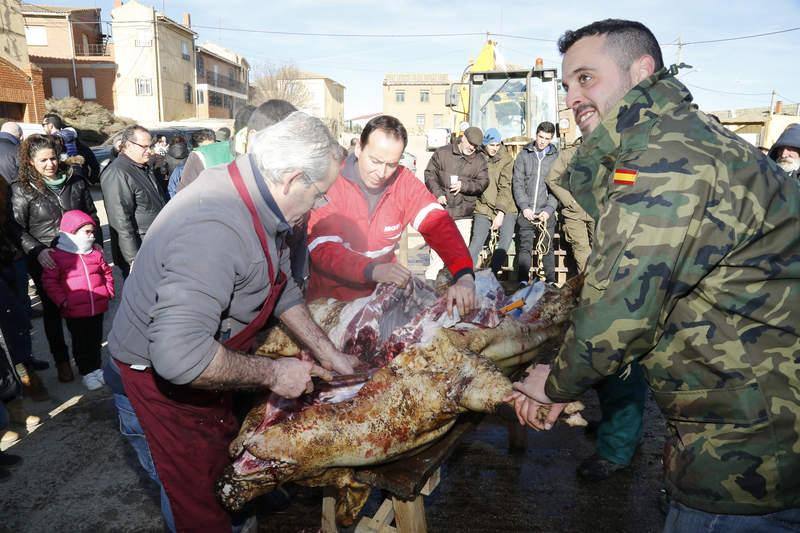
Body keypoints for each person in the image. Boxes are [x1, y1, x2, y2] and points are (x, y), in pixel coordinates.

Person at [506, 19, 800, 531]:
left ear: (641, 71)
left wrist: (551, 384)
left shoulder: (669, 158)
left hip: (750, 440)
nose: (573, 96)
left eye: (587, 78)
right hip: (751, 411)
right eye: (567, 84)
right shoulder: (677, 139)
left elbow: (621, 308)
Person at [107, 111, 358, 531]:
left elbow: (281, 287)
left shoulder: (260, 201)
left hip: (201, 372)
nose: (319, 205)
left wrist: (327, 350)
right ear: (294, 178)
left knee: (228, 484)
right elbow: (180, 357)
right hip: (157, 385)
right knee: (203, 507)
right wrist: (275, 373)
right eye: (320, 194)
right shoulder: (216, 224)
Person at [307, 115, 477, 315]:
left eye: (391, 164)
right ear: (359, 148)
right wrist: (372, 270)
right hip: (331, 303)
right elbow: (323, 247)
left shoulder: (403, 182)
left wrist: (464, 273)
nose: (381, 172)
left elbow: (438, 223)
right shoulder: (332, 181)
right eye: (375, 161)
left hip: (380, 301)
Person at [11, 134, 101, 382]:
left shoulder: (75, 180)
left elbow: (92, 216)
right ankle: (61, 359)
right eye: (43, 161)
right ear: (30, 162)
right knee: (53, 312)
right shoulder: (21, 190)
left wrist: (98, 246)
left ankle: (87, 360)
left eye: (53, 158)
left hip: (80, 257)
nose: (50, 164)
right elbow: (16, 228)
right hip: (47, 261)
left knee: (82, 310)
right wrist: (38, 251)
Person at [41, 210, 114, 391]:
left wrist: (108, 291)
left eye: (92, 232)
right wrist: (63, 302)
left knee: (95, 339)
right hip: (74, 310)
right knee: (81, 341)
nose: (91, 235)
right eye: (87, 232)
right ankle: (86, 371)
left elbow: (106, 273)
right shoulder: (58, 256)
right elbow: (50, 282)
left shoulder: (94, 253)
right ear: (71, 233)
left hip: (97, 306)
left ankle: (96, 367)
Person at [100, 125, 166, 279]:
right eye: (145, 147)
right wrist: (133, 259)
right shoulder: (117, 172)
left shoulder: (142, 167)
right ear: (128, 145)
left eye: (151, 146)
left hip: (154, 244)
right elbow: (121, 221)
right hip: (140, 251)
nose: (149, 151)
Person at [423, 126, 488, 280]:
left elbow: (483, 183)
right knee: (437, 257)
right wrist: (437, 193)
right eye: (470, 143)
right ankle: (431, 291)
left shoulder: (479, 160)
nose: (472, 148)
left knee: (459, 258)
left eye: (475, 146)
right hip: (441, 212)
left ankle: (457, 294)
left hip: (463, 214)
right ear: (463, 138)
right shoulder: (442, 153)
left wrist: (464, 186)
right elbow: (429, 174)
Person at [512, 121, 559, 285]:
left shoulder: (556, 157)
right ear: (536, 134)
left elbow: (557, 187)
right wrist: (524, 207)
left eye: (546, 138)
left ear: (551, 139)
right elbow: (517, 183)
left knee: (547, 248)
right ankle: (523, 281)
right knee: (524, 246)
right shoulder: (524, 155)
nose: (542, 141)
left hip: (546, 212)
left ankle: (551, 282)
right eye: (540, 137)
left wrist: (549, 209)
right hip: (527, 212)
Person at [467, 128, 516, 274]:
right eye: (491, 145)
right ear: (485, 144)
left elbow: (505, 187)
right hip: (483, 205)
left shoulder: (507, 160)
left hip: (506, 205)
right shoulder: (477, 158)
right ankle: (465, 274)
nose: (494, 148)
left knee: (505, 240)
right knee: (477, 241)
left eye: (497, 145)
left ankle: (492, 273)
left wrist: (500, 212)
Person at [545, 138, 595, 273]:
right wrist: (569, 201)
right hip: (574, 212)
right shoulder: (567, 155)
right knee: (581, 249)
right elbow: (552, 179)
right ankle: (587, 287)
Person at [41, 113, 100, 184]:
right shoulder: (79, 143)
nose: (43, 128)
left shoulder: (48, 144)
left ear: (50, 125)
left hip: (60, 183)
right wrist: (90, 181)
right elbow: (95, 165)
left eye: (43, 125)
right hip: (80, 181)